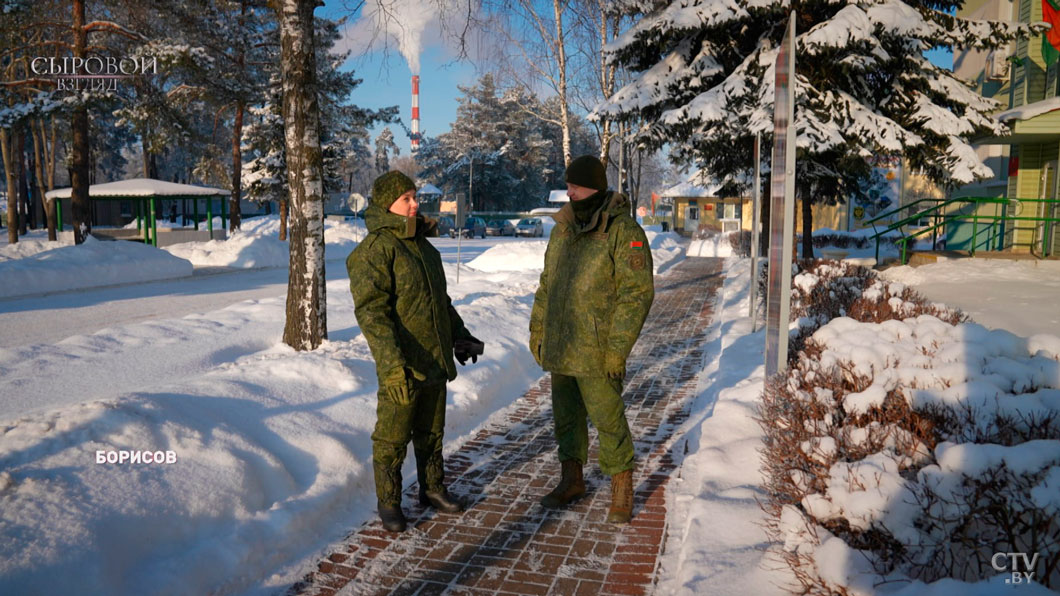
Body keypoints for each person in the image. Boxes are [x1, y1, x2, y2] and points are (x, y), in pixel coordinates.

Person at [347, 171, 485, 533]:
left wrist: (460, 335)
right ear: (386, 204)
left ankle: (432, 489)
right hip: (403, 365)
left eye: (414, 196)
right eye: (406, 198)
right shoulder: (375, 251)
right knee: (392, 437)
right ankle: (389, 502)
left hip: (433, 360)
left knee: (431, 432)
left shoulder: (424, 247)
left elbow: (440, 302)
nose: (415, 203)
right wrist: (393, 368)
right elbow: (372, 315)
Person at [529, 155, 655, 524]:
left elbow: (637, 295)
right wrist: (538, 330)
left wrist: (618, 349)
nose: (570, 192)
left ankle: (621, 485)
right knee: (566, 417)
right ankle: (572, 480)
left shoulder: (623, 230)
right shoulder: (563, 229)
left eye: (577, 186)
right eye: (568, 185)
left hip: (598, 350)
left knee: (608, 418)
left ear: (595, 188)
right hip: (561, 345)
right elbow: (546, 285)